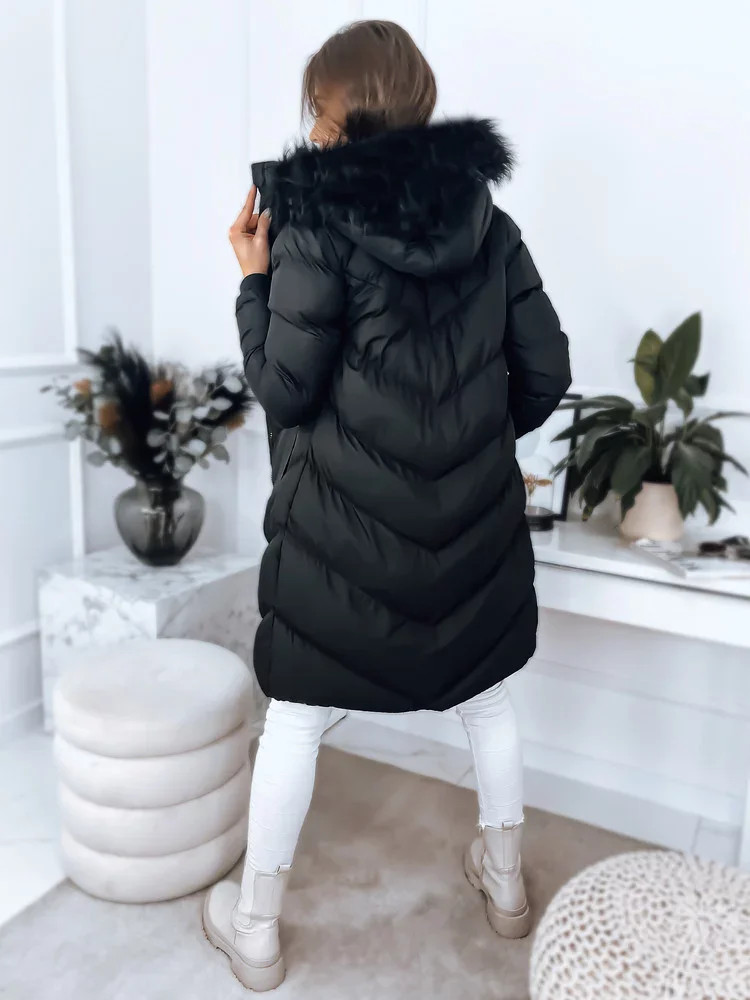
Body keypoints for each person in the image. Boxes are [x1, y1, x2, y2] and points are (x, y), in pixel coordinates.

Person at [203, 19, 571, 991]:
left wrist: (251, 282)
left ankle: (255, 930)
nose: (311, 130)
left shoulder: (314, 226)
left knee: (295, 715)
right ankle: (506, 887)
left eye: (317, 112)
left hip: (339, 540)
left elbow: (285, 389)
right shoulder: (491, 227)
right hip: (473, 533)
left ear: (337, 117)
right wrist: (474, 442)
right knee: (486, 698)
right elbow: (547, 373)